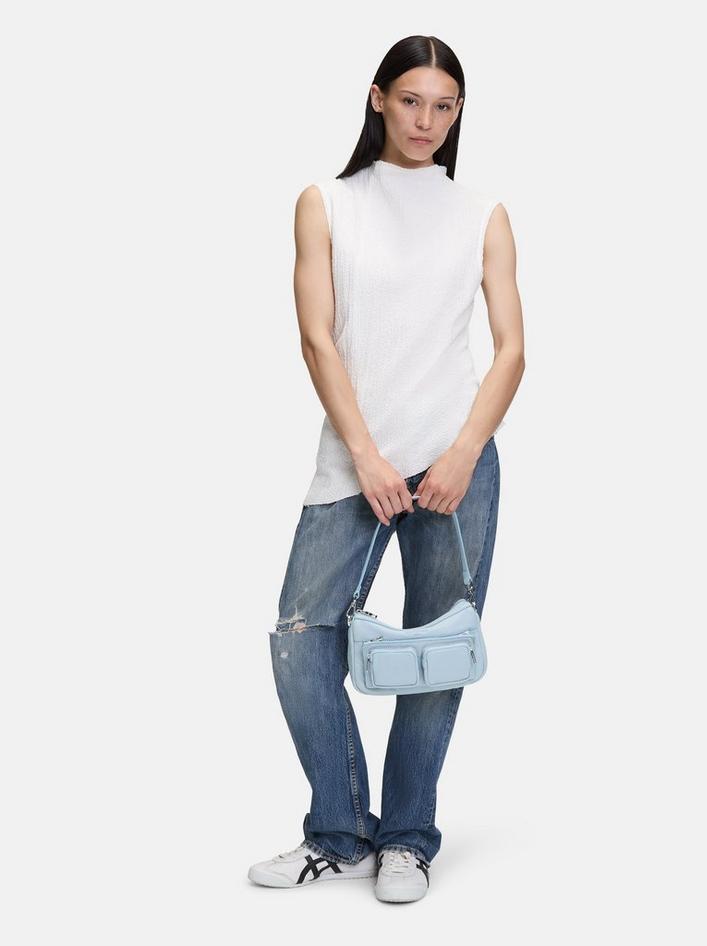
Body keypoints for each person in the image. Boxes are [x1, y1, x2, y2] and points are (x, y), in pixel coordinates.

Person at [248, 34, 524, 903]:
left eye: (444, 107)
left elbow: (513, 350)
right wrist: (367, 456)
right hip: (355, 459)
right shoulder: (327, 203)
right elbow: (316, 339)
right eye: (411, 101)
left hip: (457, 463)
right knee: (301, 640)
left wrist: (463, 452)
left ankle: (406, 838)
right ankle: (340, 832)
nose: (426, 121)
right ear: (377, 98)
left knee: (436, 651)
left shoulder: (482, 213)